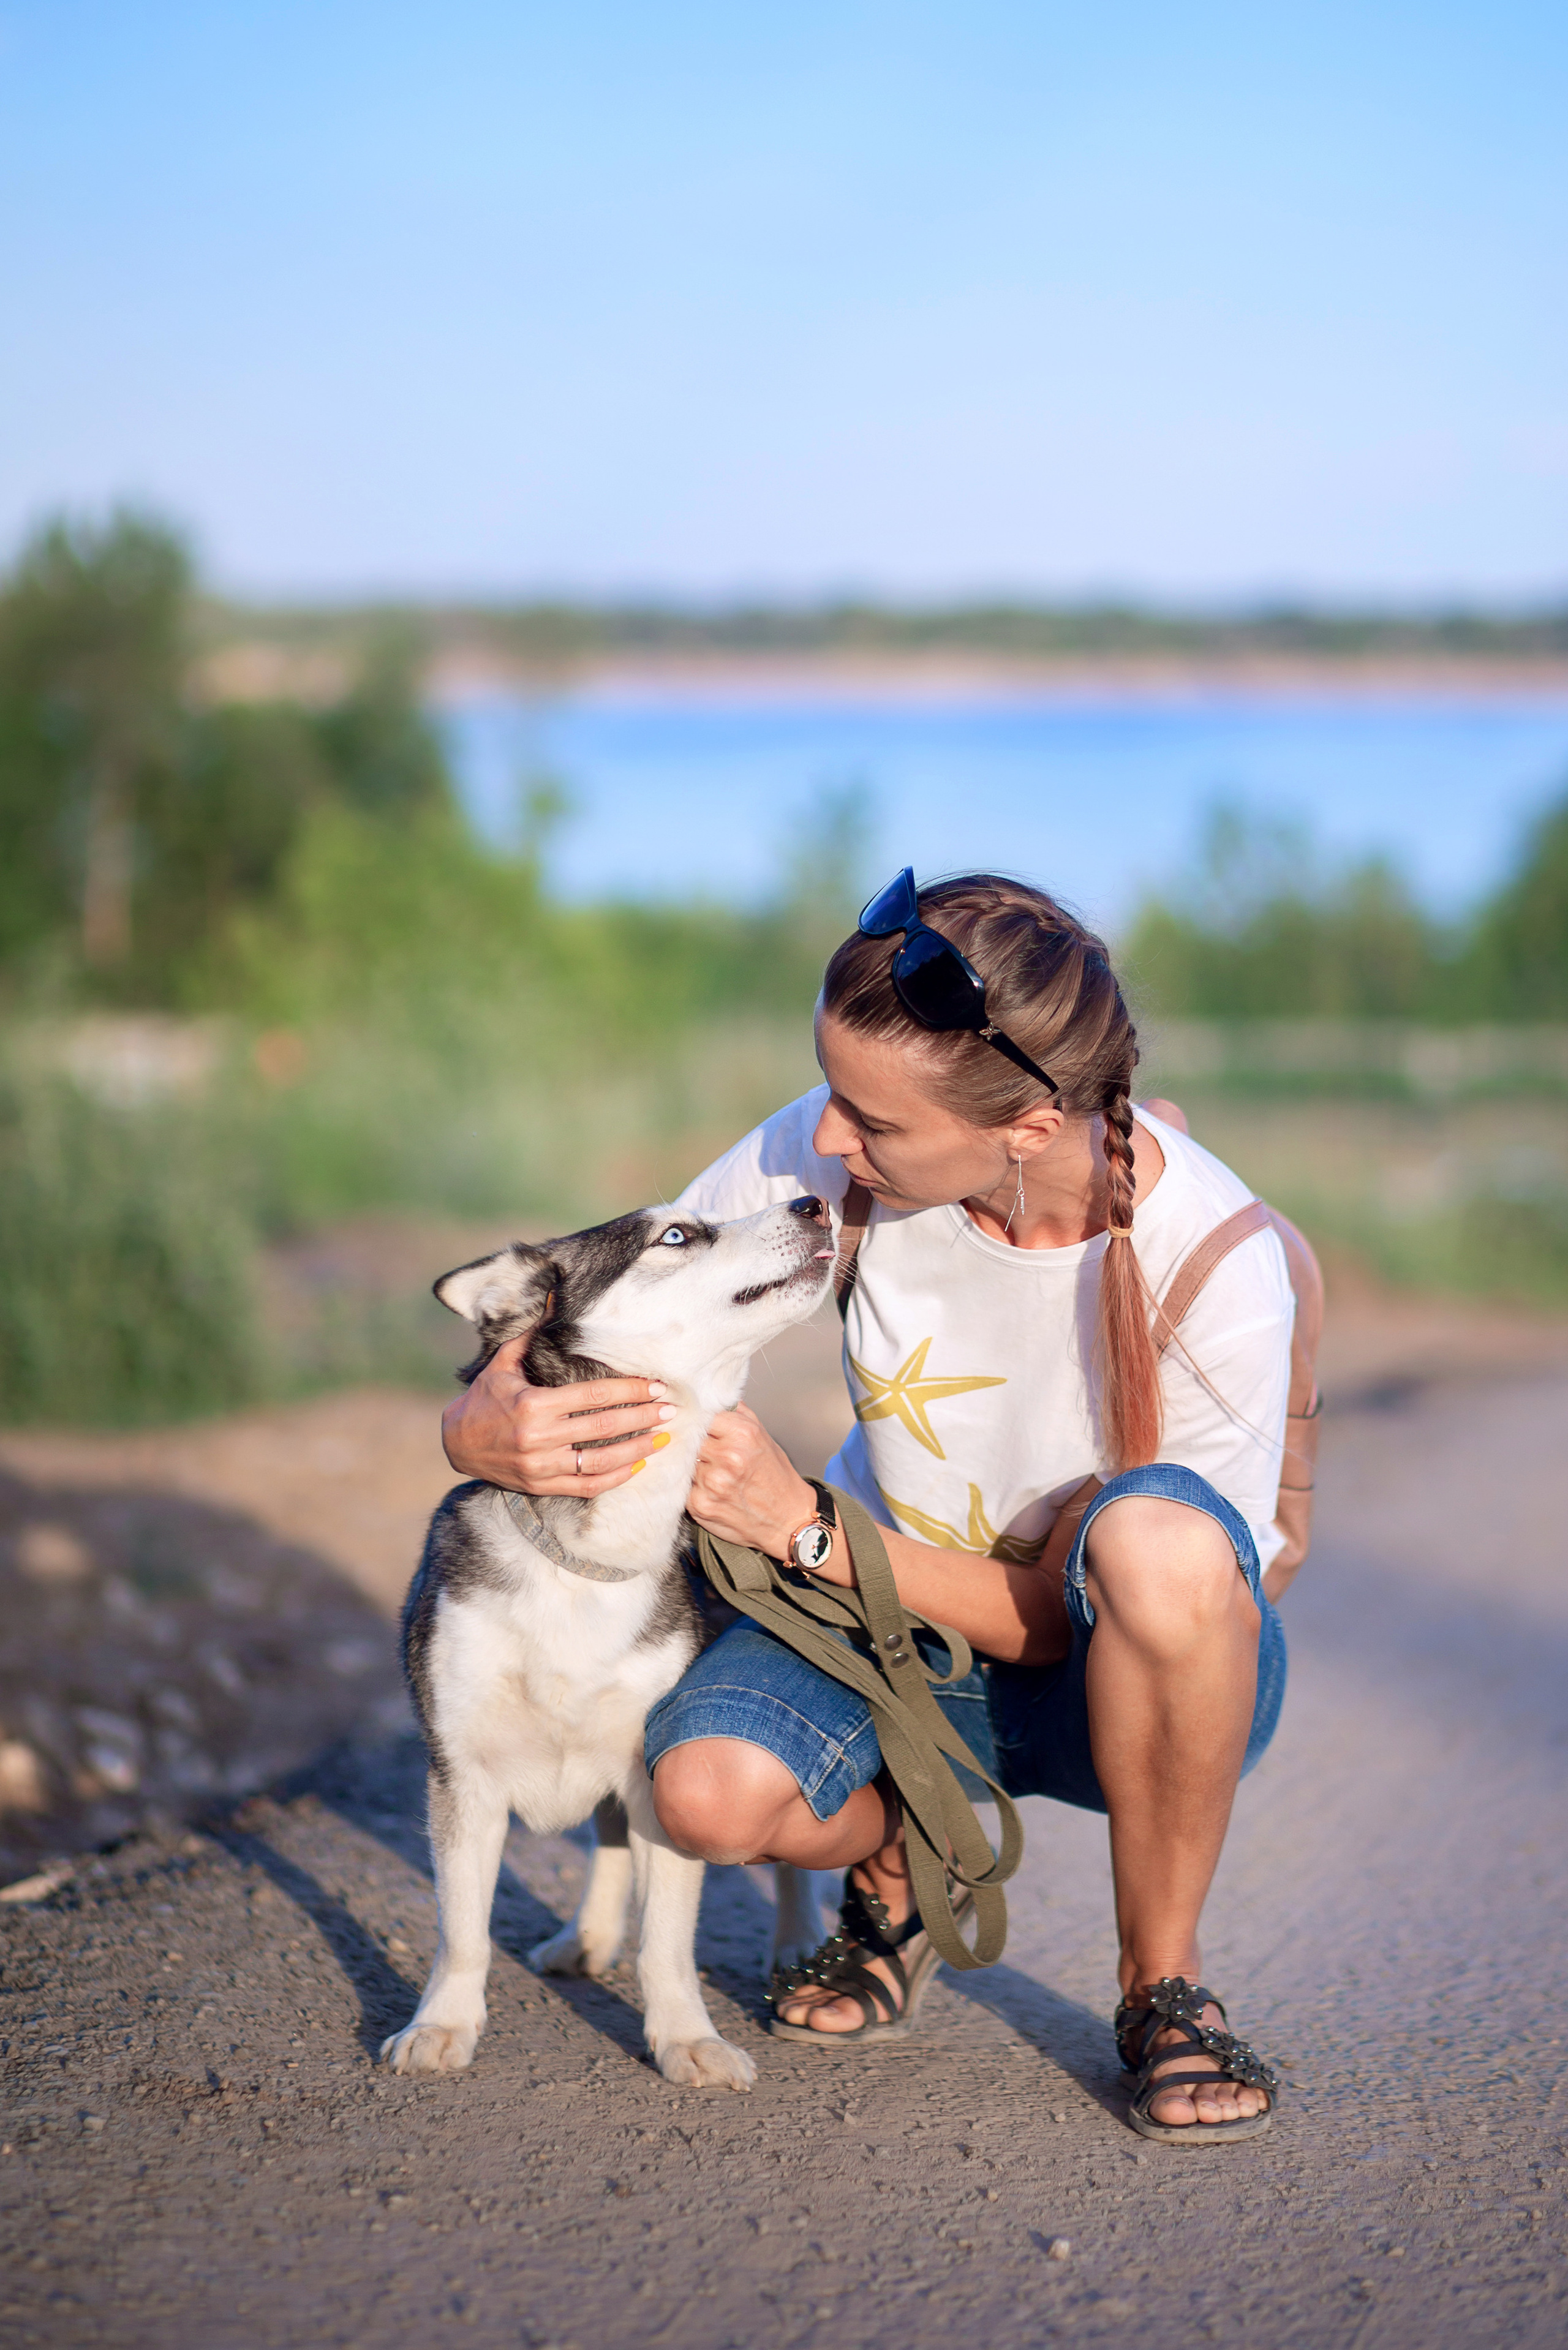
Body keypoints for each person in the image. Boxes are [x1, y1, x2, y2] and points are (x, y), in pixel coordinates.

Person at [443, 870, 1291, 2142]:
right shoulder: (835, 1144)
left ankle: (1159, 1982)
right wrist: (476, 1422)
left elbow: (1114, 1616)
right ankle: (897, 1859)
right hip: (876, 1638)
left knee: (1156, 1544)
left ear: (1024, 1127)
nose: (826, 1140)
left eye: (872, 1124)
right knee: (707, 1797)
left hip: (1116, 1674)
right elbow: (620, 1296)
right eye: (827, 1093)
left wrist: (806, 1530)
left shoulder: (1215, 1255)